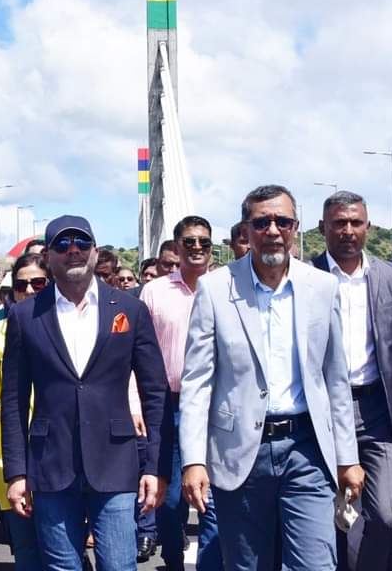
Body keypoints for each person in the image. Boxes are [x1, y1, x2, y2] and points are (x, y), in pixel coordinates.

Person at [180, 185, 363, 571]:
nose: (273, 230)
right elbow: (197, 382)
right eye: (262, 222)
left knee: (316, 564)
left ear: (296, 227)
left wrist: (348, 457)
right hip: (240, 453)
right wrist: (193, 460)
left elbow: (335, 380)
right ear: (247, 229)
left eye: (283, 221)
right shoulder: (215, 289)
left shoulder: (322, 286)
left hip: (307, 449)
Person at [1, 215, 169, 571]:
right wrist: (16, 474)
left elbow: (155, 392)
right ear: (48, 256)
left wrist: (156, 466)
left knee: (119, 565)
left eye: (81, 243)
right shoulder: (26, 315)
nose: (73, 251)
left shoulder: (129, 310)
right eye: (62, 245)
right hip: (51, 464)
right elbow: (13, 400)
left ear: (95, 251)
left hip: (116, 461)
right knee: (61, 567)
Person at [313, 191, 392, 571]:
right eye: (339, 223)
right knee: (331, 518)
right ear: (322, 228)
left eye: (355, 223)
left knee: (386, 517)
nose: (347, 231)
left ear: (368, 227)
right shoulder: (307, 277)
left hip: (378, 409)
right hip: (322, 412)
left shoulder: (390, 275)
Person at [139, 216, 222, 571]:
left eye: (204, 242)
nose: (198, 248)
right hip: (167, 406)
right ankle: (173, 561)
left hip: (216, 408)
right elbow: (134, 353)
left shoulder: (224, 289)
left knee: (214, 501)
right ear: (177, 246)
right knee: (170, 500)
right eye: (190, 242)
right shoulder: (155, 292)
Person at [0, 253, 48, 570]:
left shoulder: (68, 327)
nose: (30, 290)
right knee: (24, 547)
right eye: (22, 285)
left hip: (57, 454)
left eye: (38, 282)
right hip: (11, 455)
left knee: (61, 544)